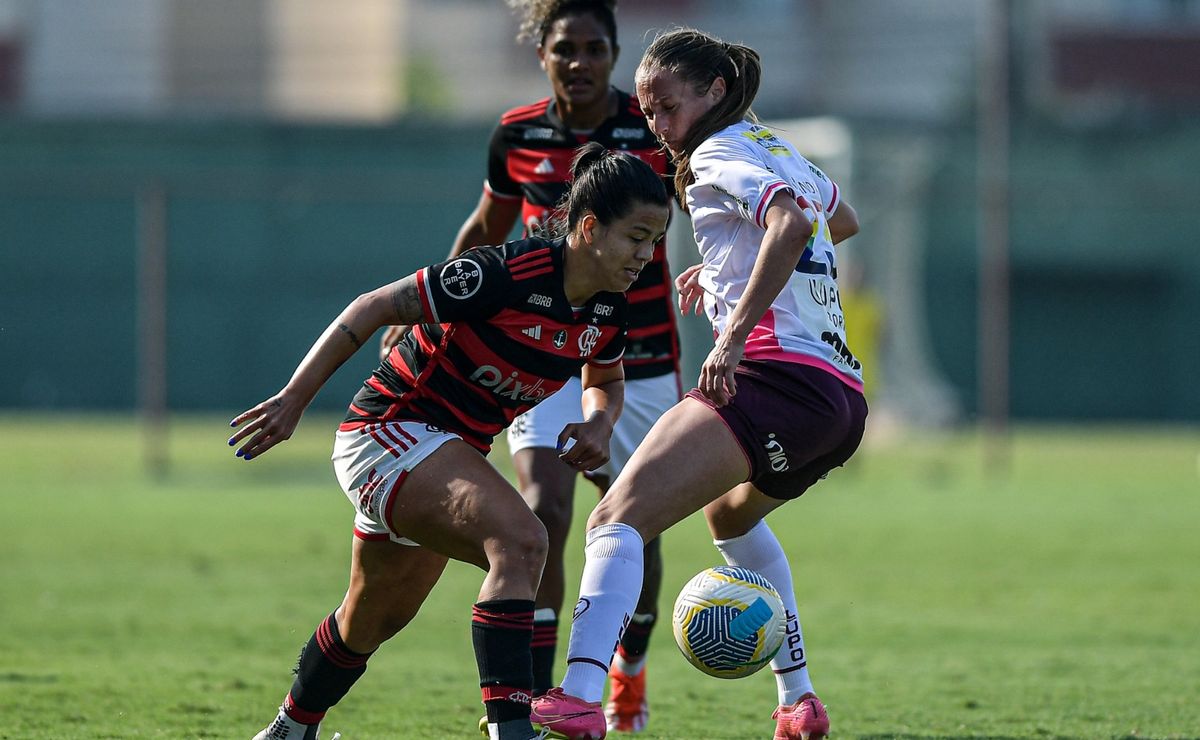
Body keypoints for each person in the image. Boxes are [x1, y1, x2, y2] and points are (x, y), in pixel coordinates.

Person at [233, 143, 669, 740]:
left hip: (447, 454)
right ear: (589, 227)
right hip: (386, 432)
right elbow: (370, 308)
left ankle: (287, 731)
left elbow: (607, 379)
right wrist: (294, 400)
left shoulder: (608, 311)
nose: (647, 255)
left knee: (371, 617)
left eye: (656, 240)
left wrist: (599, 421)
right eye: (637, 237)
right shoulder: (506, 273)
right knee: (522, 543)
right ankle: (512, 730)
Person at [530, 28, 864, 740]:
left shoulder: (715, 151)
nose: (657, 125)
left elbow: (791, 222)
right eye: (648, 111)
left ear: (713, 92)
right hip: (840, 399)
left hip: (772, 377)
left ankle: (584, 696)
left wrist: (737, 328)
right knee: (729, 519)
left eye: (667, 107)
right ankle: (798, 701)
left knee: (614, 518)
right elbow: (841, 218)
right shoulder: (775, 145)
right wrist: (724, 273)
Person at [381, 2, 682, 732]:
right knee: (543, 509)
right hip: (544, 357)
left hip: (637, 360)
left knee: (635, 526)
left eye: (594, 49)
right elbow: (485, 230)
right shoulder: (517, 134)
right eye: (564, 49)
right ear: (541, 54)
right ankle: (544, 696)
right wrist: (427, 314)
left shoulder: (655, 134)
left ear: (616, 57)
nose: (579, 63)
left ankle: (629, 668)